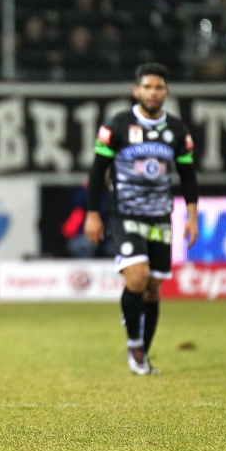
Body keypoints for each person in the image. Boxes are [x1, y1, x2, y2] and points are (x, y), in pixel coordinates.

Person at [84, 62, 198, 376]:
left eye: (158, 87)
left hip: (160, 214)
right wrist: (93, 214)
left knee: (153, 286)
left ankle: (142, 354)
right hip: (125, 212)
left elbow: (187, 175)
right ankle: (134, 343)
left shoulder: (177, 130)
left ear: (166, 92)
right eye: (147, 87)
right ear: (137, 91)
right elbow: (97, 172)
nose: (153, 92)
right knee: (136, 277)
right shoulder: (117, 125)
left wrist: (192, 215)